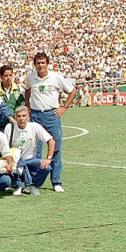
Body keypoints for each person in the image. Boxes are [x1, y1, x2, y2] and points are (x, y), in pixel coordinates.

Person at [24, 52, 76, 192]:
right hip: (35, 115)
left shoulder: (56, 77)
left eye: (43, 63)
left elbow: (72, 90)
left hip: (51, 114)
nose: (40, 65)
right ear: (34, 64)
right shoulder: (30, 77)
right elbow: (27, 91)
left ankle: (56, 181)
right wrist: (28, 106)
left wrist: (64, 106)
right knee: (35, 148)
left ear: (47, 64)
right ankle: (34, 181)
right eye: (38, 63)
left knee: (56, 147)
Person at [3, 106, 56, 196]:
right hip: (15, 160)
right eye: (19, 116)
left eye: (24, 116)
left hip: (31, 159)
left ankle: (33, 185)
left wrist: (48, 158)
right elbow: (4, 146)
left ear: (28, 117)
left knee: (47, 167)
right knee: (18, 165)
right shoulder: (9, 127)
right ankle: (19, 185)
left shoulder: (35, 127)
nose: (21, 118)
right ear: (15, 117)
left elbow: (51, 141)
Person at [0, 64, 25, 130]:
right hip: (1, 126)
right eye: (6, 75)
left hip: (16, 124)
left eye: (10, 75)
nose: (8, 78)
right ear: (1, 77)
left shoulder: (19, 89)